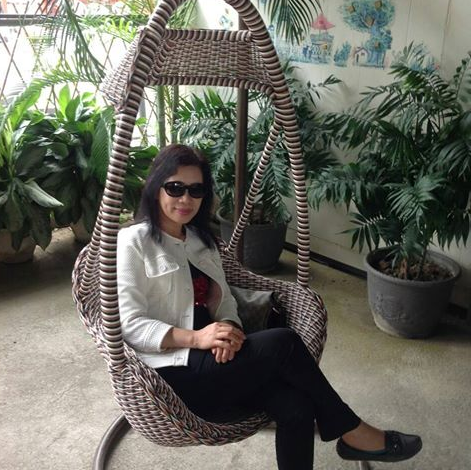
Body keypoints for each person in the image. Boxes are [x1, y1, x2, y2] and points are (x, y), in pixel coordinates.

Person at [117, 144, 422, 469]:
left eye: (196, 190)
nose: (185, 199)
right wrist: (197, 338)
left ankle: (348, 432)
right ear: (156, 187)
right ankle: (351, 430)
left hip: (219, 367)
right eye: (175, 187)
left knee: (297, 405)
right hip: (173, 378)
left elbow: (225, 302)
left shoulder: (201, 241)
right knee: (283, 341)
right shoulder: (132, 242)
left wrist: (229, 331)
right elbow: (128, 324)